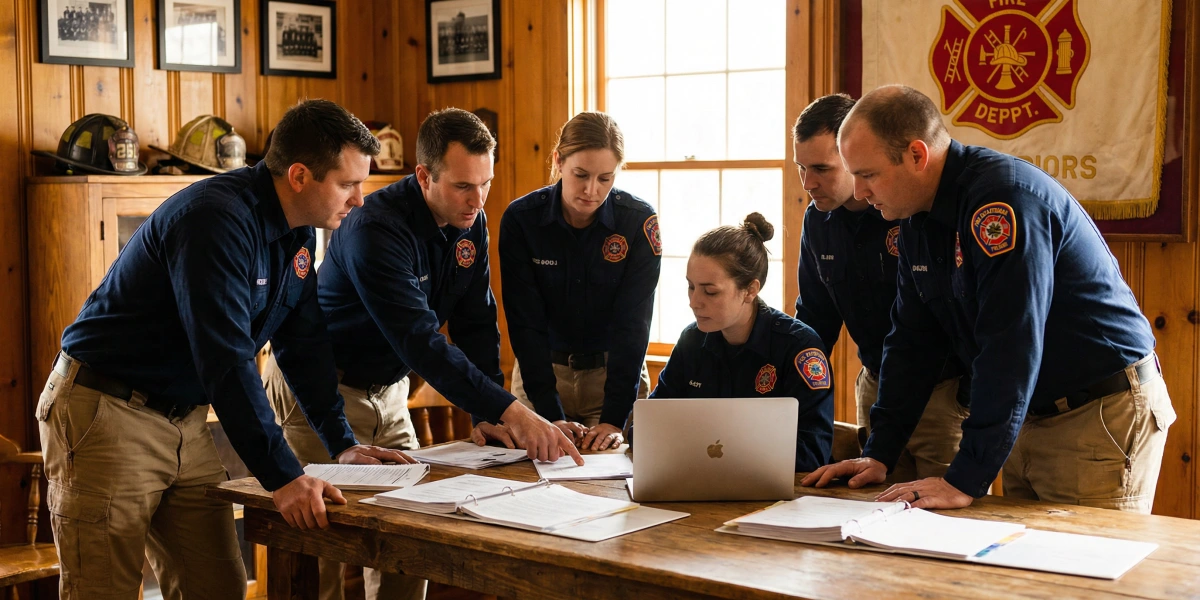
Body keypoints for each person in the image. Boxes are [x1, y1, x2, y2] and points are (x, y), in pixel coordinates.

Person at [35, 99, 410, 599]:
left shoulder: (299, 229)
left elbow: (304, 344)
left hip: (185, 420)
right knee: (102, 591)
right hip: (107, 411)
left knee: (216, 587)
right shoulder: (214, 219)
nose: (360, 200)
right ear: (300, 176)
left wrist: (341, 444)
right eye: (348, 184)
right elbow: (227, 358)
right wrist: (284, 477)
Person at [802, 85, 1175, 513]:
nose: (861, 191)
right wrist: (881, 451)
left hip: (1096, 413)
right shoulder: (914, 216)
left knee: (1078, 573)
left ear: (917, 156)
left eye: (867, 174)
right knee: (1023, 571)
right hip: (1032, 413)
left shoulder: (1001, 203)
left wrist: (964, 478)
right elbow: (912, 341)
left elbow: (1010, 345)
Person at [264, 107, 582, 600]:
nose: (477, 200)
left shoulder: (469, 221)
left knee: (408, 543)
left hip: (389, 394)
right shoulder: (376, 228)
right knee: (317, 556)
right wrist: (515, 411)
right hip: (317, 391)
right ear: (424, 176)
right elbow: (420, 340)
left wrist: (485, 413)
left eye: (486, 183)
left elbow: (477, 323)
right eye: (462, 186)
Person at [792, 93, 969, 481]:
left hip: (942, 392)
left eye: (821, 168)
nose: (808, 183)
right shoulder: (817, 222)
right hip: (874, 384)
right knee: (873, 506)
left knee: (945, 515)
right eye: (801, 168)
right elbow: (815, 320)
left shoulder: (908, 207)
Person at [499, 111, 659, 452]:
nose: (591, 190)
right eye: (580, 175)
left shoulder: (637, 222)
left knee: (617, 487)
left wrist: (615, 417)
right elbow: (525, 324)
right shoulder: (521, 220)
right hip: (540, 374)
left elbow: (633, 325)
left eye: (605, 178)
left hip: (613, 378)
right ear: (558, 161)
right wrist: (548, 414)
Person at [648, 214, 834, 471]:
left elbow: (811, 455)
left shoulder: (798, 348)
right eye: (691, 287)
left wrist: (709, 447)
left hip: (780, 499)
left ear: (750, 290)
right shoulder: (692, 340)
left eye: (710, 291)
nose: (694, 301)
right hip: (697, 483)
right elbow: (646, 428)